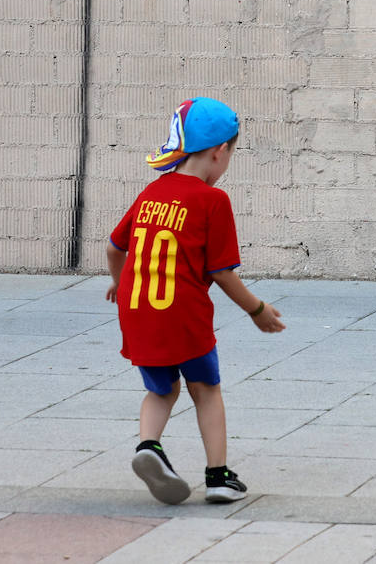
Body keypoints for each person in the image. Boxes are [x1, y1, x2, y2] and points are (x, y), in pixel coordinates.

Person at [106, 97, 284, 505]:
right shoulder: (212, 200)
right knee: (205, 389)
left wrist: (121, 286)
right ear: (220, 151)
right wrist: (257, 310)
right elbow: (222, 272)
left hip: (138, 311)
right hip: (184, 314)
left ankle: (149, 446)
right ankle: (218, 476)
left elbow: (115, 248)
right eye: (231, 155)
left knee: (161, 390)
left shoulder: (153, 191)